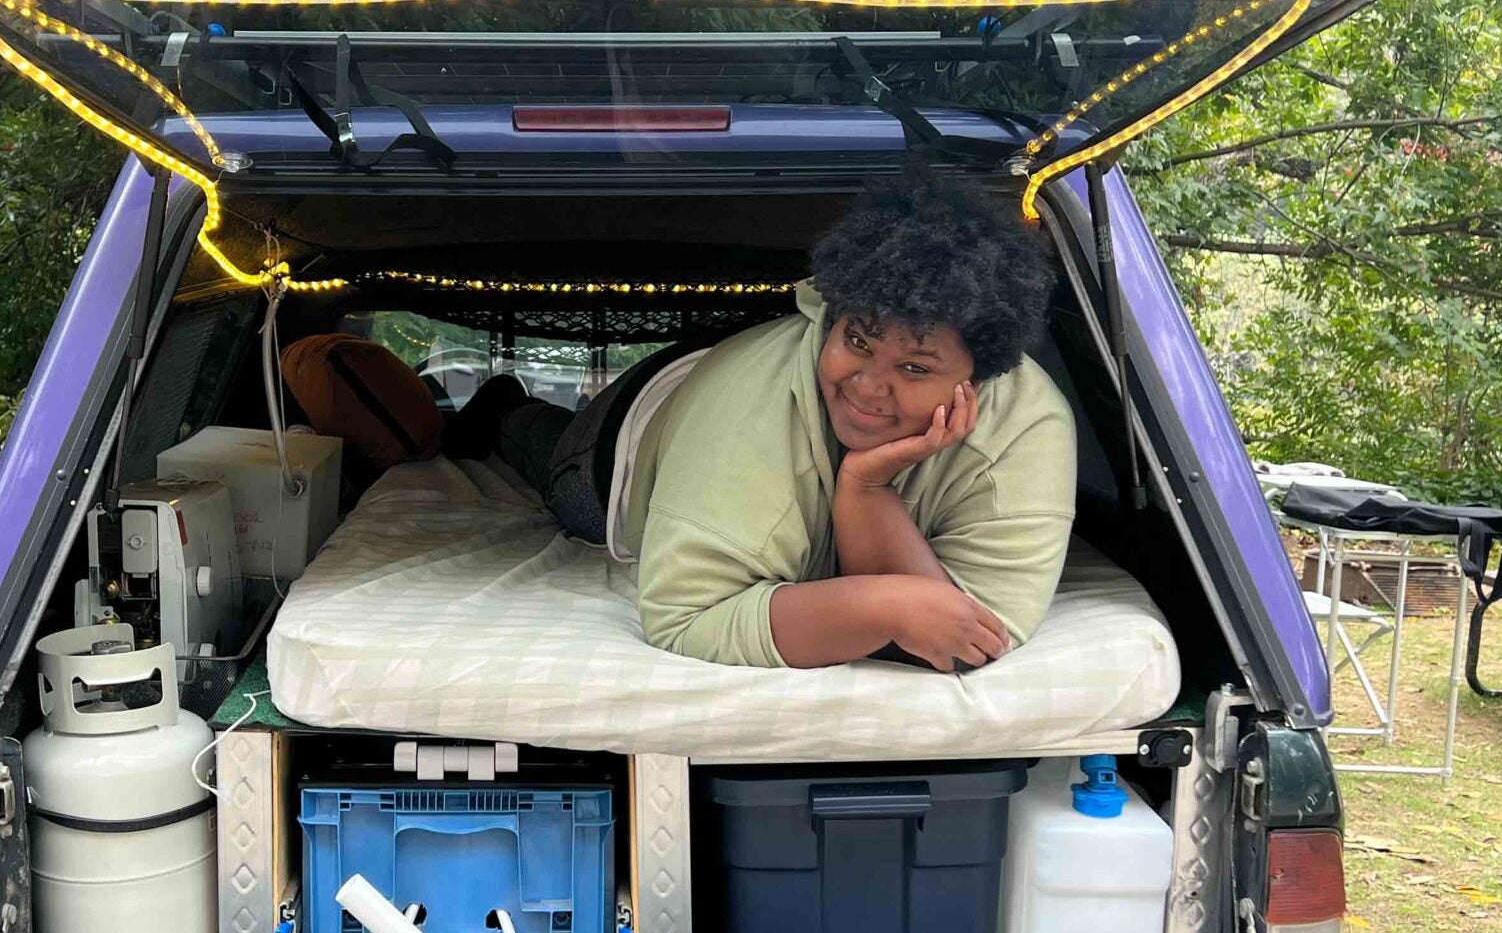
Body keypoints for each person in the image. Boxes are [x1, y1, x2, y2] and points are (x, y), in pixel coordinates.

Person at [446, 163, 1075, 672]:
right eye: (857, 339)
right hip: (626, 438)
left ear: (979, 380)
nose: (868, 387)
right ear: (831, 316)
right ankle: (505, 403)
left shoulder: (1027, 427)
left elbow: (968, 639)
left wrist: (866, 486)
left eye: (914, 369)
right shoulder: (744, 417)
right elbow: (684, 620)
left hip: (735, 374)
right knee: (538, 443)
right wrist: (886, 605)